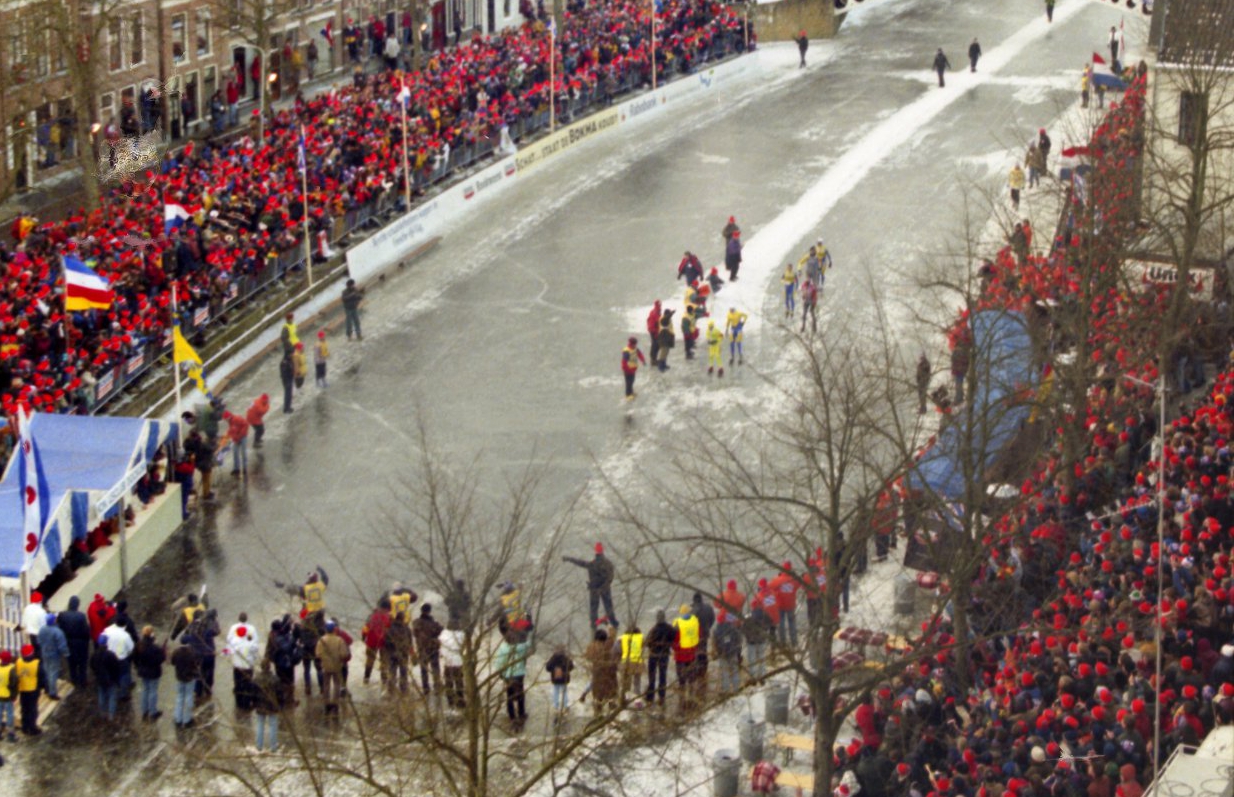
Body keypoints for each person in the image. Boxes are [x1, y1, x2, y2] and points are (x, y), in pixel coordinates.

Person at [563, 543, 618, 628]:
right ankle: (614, 623)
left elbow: (580, 563)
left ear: (595, 552)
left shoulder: (592, 564)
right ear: (602, 552)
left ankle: (594, 625)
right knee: (608, 606)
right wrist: (604, 587)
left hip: (594, 590)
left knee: (594, 608)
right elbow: (611, 577)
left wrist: (569, 559)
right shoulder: (608, 563)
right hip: (605, 589)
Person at [495, 630, 530, 728]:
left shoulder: (503, 648)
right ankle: (521, 713)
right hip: (519, 674)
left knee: (509, 695)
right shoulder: (521, 647)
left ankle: (512, 716)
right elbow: (529, 645)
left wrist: (501, 673)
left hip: (508, 675)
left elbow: (499, 662)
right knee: (520, 694)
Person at [671, 605, 700, 712]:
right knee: (691, 671)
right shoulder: (695, 621)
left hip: (680, 653)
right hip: (692, 651)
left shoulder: (678, 624)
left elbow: (674, 639)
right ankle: (691, 688)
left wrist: (674, 648)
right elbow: (698, 634)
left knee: (681, 673)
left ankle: (682, 689)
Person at [316, 620, 349, 713]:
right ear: (334, 629)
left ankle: (326, 704)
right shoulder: (339, 640)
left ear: (326, 629)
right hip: (337, 665)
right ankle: (335, 704)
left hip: (325, 666)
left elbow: (318, 654)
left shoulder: (321, 640)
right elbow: (344, 654)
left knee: (326, 685)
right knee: (337, 685)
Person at [585, 629, 619, 717]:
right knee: (611, 694)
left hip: (597, 674)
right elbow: (616, 655)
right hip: (610, 673)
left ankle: (598, 715)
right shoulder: (609, 645)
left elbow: (588, 657)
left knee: (598, 696)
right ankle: (612, 717)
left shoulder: (592, 646)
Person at [134, 626, 166, 720]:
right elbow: (160, 659)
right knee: (153, 691)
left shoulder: (139, 645)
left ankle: (145, 710)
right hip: (153, 672)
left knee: (145, 690)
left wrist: (138, 666)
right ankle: (153, 712)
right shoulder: (154, 647)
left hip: (143, 671)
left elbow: (135, 658)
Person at [59, 595, 91, 688]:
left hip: (68, 642)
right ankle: (83, 681)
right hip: (81, 643)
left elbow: (61, 628)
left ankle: (74, 680)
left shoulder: (63, 615)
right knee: (82, 663)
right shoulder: (81, 616)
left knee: (72, 663)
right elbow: (85, 630)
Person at [645, 610, 674, 708]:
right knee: (663, 676)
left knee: (652, 676)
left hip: (653, 655)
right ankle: (661, 696)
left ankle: (650, 697)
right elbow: (673, 639)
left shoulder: (653, 630)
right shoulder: (670, 628)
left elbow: (647, 642)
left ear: (657, 618)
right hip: (664, 655)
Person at [412, 604, 443, 697]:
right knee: (435, 669)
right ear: (429, 611)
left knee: (424, 670)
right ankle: (437, 687)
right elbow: (441, 631)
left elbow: (415, 633)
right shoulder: (434, 623)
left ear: (421, 611)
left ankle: (426, 688)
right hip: (433, 649)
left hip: (422, 649)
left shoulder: (416, 622)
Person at [227, 624, 260, 710]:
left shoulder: (234, 642)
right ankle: (246, 703)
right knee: (247, 685)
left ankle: (239, 703)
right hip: (247, 667)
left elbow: (226, 651)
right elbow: (255, 651)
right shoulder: (249, 643)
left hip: (237, 668)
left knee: (238, 685)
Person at [252, 661, 283, 752]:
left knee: (260, 725)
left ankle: (259, 745)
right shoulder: (275, 679)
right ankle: (273, 746)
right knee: (273, 725)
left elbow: (253, 693)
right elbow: (279, 694)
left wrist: (253, 703)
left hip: (260, 704)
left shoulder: (256, 679)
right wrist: (280, 704)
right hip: (272, 705)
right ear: (270, 667)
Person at [362, 598, 393, 685]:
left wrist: (363, 638)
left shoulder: (372, 616)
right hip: (384, 642)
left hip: (371, 641)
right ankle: (384, 680)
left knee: (370, 660)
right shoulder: (389, 617)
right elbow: (391, 630)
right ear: (387, 608)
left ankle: (366, 679)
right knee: (384, 661)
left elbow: (365, 628)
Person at [36, 614, 68, 700]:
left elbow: (38, 641)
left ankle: (47, 688)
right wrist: (66, 653)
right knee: (53, 673)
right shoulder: (57, 631)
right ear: (54, 621)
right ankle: (52, 692)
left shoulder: (42, 629)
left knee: (47, 671)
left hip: (44, 653)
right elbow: (62, 645)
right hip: (54, 655)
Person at [770, 562, 801, 647]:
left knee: (781, 624)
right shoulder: (794, 580)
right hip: (791, 605)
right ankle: (794, 642)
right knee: (792, 624)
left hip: (780, 605)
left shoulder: (777, 580)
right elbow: (799, 584)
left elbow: (769, 588)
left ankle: (783, 642)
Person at [91, 635, 122, 719]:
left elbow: (92, 666)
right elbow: (116, 667)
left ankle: (103, 713)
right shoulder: (111, 655)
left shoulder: (95, 655)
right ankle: (111, 714)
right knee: (112, 696)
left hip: (100, 679)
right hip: (111, 679)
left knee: (101, 695)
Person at [712, 611, 742, 694]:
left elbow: (715, 643)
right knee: (735, 670)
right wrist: (736, 648)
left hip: (723, 654)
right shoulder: (733, 628)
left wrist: (717, 652)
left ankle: (726, 690)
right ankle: (736, 688)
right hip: (733, 652)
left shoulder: (716, 631)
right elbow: (739, 639)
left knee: (724, 672)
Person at [15, 644, 40, 735]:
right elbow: (41, 677)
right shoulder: (36, 663)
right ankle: (32, 728)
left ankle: (25, 727)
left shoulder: (18, 661)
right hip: (33, 689)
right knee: (32, 710)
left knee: (24, 709)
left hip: (22, 689)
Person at [386, 611, 414, 693]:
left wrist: (390, 649)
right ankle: (404, 689)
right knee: (403, 672)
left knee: (392, 671)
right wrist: (411, 652)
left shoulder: (390, 628)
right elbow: (410, 642)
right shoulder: (407, 629)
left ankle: (391, 689)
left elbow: (386, 642)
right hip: (404, 654)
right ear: (403, 618)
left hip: (392, 653)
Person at [440, 621, 465, 709]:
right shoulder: (462, 635)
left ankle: (450, 701)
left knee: (448, 682)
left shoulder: (443, 635)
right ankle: (461, 701)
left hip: (448, 662)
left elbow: (441, 649)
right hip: (458, 662)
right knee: (459, 682)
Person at [545, 644, 574, 715]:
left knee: (555, 691)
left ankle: (556, 706)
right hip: (564, 678)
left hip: (555, 678)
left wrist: (553, 669)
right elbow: (571, 666)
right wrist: (564, 669)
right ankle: (566, 705)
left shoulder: (553, 658)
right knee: (565, 691)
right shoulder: (566, 658)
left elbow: (548, 667)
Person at [619, 623, 644, 702]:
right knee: (637, 683)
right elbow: (644, 646)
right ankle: (637, 701)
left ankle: (626, 700)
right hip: (637, 662)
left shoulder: (623, 638)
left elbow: (617, 649)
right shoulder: (641, 637)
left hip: (626, 662)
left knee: (626, 683)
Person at [222, 409, 250, 477]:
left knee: (243, 452)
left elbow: (246, 425)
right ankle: (236, 469)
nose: (225, 421)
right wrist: (226, 437)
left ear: (228, 418)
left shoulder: (237, 418)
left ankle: (244, 468)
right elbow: (232, 429)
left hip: (242, 437)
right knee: (235, 452)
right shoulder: (230, 421)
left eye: (225, 419)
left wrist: (239, 435)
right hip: (236, 439)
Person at [0, 651, 16, 741]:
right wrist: (14, 695)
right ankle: (11, 734)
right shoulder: (11, 669)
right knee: (9, 714)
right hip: (7, 696)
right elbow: (14, 683)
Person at [646, 301, 662, 366]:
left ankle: (654, 359)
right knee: (655, 345)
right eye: (659, 304)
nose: (660, 305)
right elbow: (655, 322)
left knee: (656, 344)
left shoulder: (656, 311)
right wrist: (655, 331)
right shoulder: (655, 312)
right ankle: (653, 360)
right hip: (654, 331)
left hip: (655, 330)